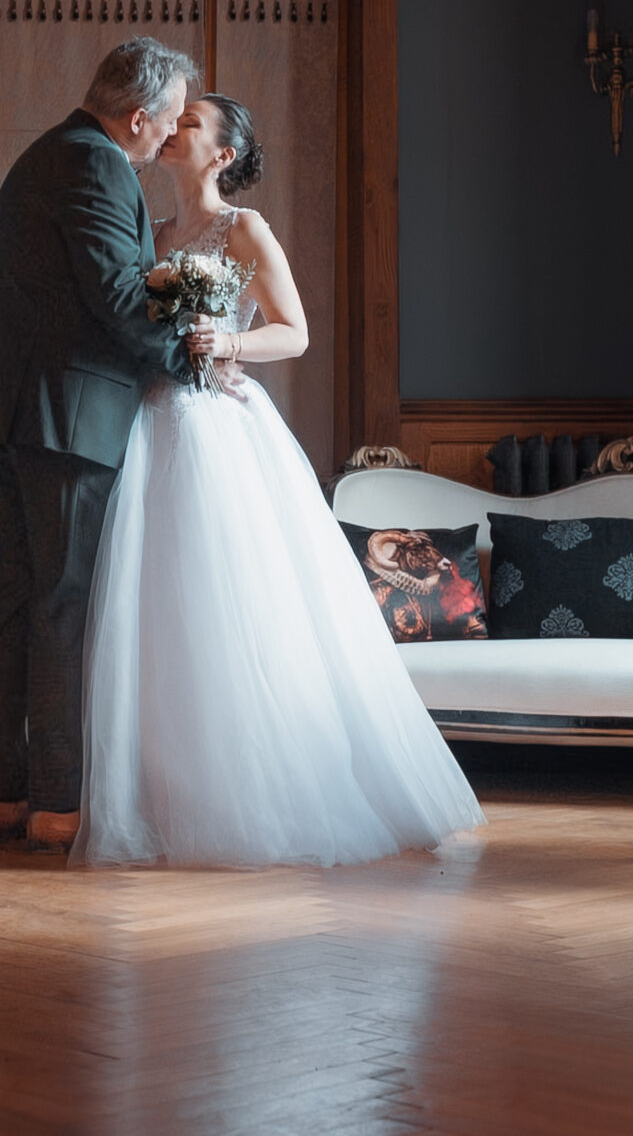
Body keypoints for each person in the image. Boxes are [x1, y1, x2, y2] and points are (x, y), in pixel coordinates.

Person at [76, 94, 484, 867]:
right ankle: (168, 793)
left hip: (220, 427)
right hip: (153, 422)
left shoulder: (245, 228)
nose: (173, 129)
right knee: (158, 605)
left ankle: (255, 791)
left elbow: (293, 331)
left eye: (189, 124)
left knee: (232, 597)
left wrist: (228, 339)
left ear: (222, 155)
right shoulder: (152, 232)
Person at [0, 38, 195, 854]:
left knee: (18, 596)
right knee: (58, 602)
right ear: (137, 116)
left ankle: (2, 793)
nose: (168, 139)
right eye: (166, 123)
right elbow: (119, 298)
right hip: (68, 419)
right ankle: (59, 801)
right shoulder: (98, 165)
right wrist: (190, 358)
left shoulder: (45, 154)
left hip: (21, 411)